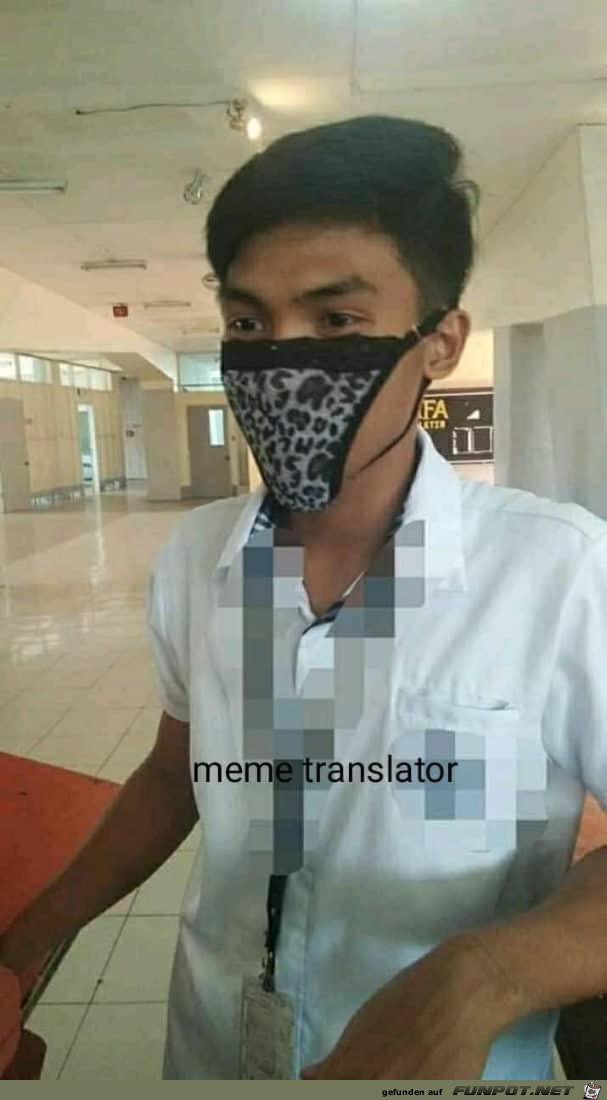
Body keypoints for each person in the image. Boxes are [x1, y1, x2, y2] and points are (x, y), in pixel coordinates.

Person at [1, 116, 606, 1081]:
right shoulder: (199, 557)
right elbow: (175, 774)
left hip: (450, 1074)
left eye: (336, 323)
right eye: (248, 325)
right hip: (217, 1045)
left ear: (439, 342)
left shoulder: (559, 573)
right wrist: (21, 947)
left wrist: (484, 977)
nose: (282, 364)